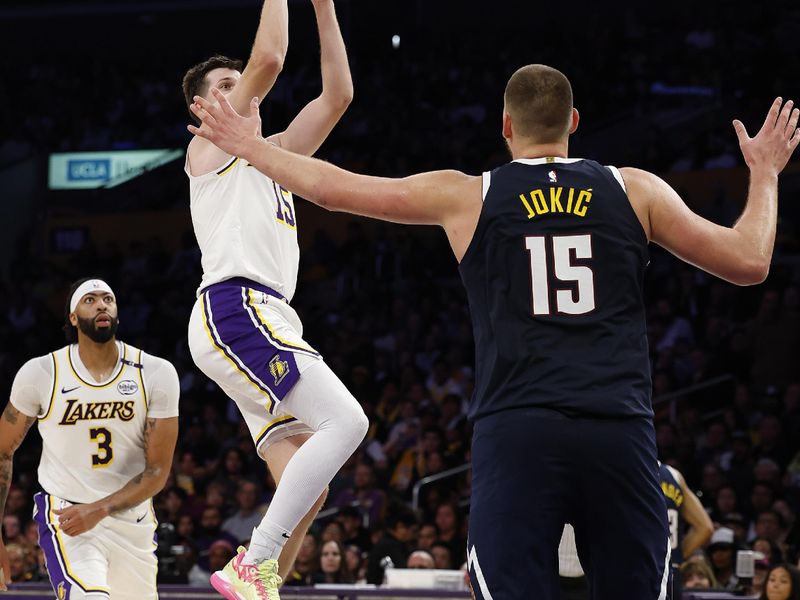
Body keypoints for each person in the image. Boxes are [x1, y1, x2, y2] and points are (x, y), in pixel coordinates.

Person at [188, 63, 800, 599]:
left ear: (505, 126)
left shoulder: (469, 195)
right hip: (618, 429)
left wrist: (253, 147)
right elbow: (749, 261)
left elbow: (337, 191)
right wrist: (766, 172)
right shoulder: (633, 188)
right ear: (575, 121)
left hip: (518, 431)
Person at [181, 0, 366, 598]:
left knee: (309, 481)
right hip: (236, 308)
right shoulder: (209, 151)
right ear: (204, 109)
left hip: (264, 316)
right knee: (348, 420)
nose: (243, 91)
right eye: (227, 88)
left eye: (242, 86)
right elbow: (271, 56)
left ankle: (264, 584)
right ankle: (252, 561)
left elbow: (338, 95)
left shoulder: (275, 155)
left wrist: (325, 8)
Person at [0, 277, 180, 598]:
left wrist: (100, 509)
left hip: (133, 521)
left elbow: (157, 471)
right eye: (90, 299)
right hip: (68, 518)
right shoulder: (42, 373)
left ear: (117, 313)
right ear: (72, 317)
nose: (101, 304)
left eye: (108, 299)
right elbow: (2, 450)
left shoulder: (155, 372)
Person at [660, 462, 714, 598]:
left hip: (639, 570)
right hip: (672, 573)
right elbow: (705, 527)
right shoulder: (673, 475)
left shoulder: (627, 471)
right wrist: (676, 557)